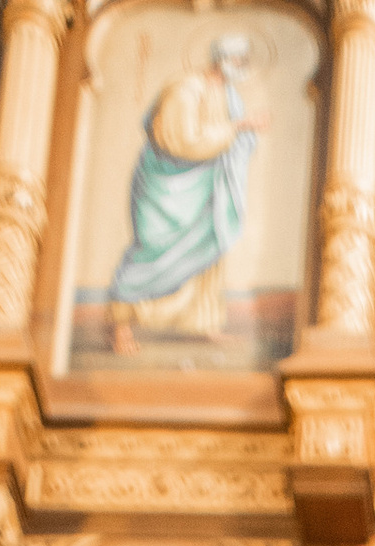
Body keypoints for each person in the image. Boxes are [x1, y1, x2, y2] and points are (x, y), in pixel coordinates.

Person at [108, 35, 268, 352]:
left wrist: (243, 129)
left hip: (208, 188)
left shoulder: (229, 95)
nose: (242, 68)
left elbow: (234, 140)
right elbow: (179, 141)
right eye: (239, 61)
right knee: (153, 252)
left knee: (209, 246)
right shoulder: (185, 89)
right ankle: (122, 327)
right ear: (222, 60)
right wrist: (238, 128)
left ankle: (204, 322)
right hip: (168, 189)